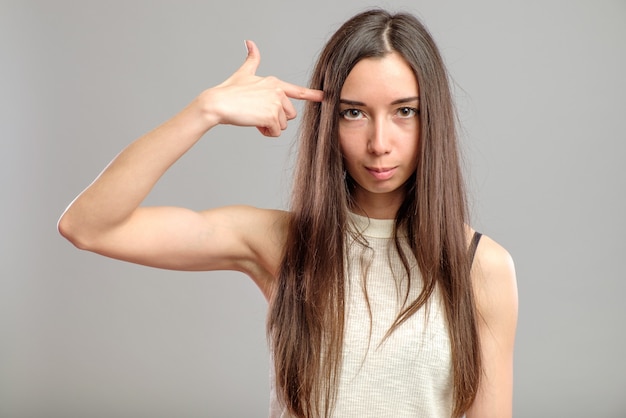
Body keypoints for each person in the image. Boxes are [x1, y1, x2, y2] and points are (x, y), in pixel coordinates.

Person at [58, 8, 518, 418]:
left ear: (432, 118)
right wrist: (206, 110)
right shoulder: (280, 242)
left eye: (405, 112)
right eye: (354, 113)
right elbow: (88, 226)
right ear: (327, 121)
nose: (380, 143)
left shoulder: (481, 266)